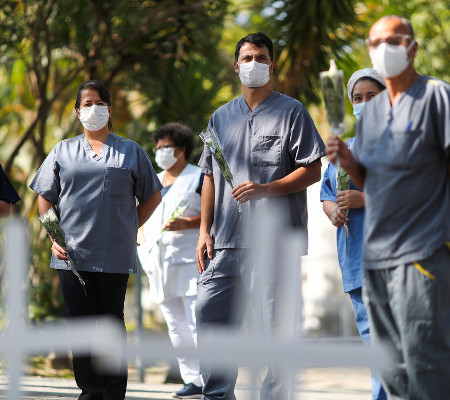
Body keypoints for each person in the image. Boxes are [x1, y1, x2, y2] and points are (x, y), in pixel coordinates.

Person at [196, 32, 326, 400]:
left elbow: (312, 170)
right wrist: (204, 231)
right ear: (236, 66)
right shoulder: (220, 117)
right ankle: (218, 395)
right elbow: (209, 176)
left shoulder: (292, 111)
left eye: (261, 57)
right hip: (223, 242)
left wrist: (266, 189)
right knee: (211, 321)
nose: (254, 63)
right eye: (248, 58)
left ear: (272, 65)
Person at [327, 16, 450, 400]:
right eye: (376, 41)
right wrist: (347, 161)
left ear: (412, 46)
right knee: (391, 367)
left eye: (394, 40)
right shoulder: (374, 117)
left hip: (422, 253)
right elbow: (372, 181)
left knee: (425, 362)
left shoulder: (436, 96)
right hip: (374, 260)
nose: (385, 48)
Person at [30, 80, 162, 400]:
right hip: (71, 256)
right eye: (86, 104)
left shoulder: (131, 151)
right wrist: (54, 236)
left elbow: (152, 196)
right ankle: (90, 393)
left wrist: (130, 227)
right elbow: (44, 198)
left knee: (111, 325)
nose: (93, 109)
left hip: (114, 255)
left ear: (109, 109)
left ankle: (113, 393)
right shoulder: (63, 150)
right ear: (78, 112)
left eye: (99, 103)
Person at [320, 68, 386, 400]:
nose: (364, 103)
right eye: (357, 98)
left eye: (372, 96)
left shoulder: (405, 144)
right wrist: (333, 210)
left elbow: (421, 193)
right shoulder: (343, 150)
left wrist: (367, 199)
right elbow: (327, 195)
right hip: (356, 260)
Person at [138, 122, 203, 399]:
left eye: (167, 147)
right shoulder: (153, 180)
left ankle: (208, 378)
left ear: (182, 148)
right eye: (158, 147)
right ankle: (192, 380)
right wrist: (141, 241)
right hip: (158, 262)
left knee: (195, 320)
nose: (161, 152)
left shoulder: (199, 177)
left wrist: (188, 223)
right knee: (175, 324)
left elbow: (216, 215)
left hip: (190, 260)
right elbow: (141, 216)